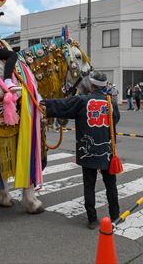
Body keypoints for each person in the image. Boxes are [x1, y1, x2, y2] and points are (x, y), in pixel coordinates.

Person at [40, 72, 120, 229]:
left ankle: (92, 219)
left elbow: (64, 105)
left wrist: (44, 104)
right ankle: (115, 216)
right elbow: (115, 119)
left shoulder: (82, 100)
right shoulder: (111, 103)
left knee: (89, 185)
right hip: (107, 150)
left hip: (88, 149)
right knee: (111, 185)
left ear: (92, 85)